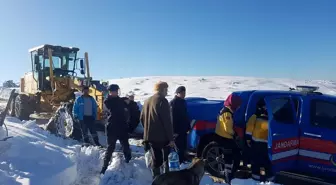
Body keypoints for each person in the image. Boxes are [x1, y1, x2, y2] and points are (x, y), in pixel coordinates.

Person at [140, 81, 175, 179]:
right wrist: (171, 139)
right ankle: (165, 179)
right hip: (162, 137)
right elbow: (167, 122)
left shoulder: (147, 101)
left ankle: (156, 179)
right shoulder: (162, 101)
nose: (167, 92)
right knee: (165, 160)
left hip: (149, 137)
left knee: (155, 160)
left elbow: (141, 118)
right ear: (162, 89)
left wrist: (148, 129)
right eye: (166, 89)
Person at [100, 84, 132, 175]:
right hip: (112, 127)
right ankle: (104, 167)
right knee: (110, 147)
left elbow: (128, 107)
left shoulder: (120, 100)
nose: (114, 93)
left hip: (122, 126)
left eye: (116, 91)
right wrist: (123, 101)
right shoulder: (107, 101)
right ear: (109, 92)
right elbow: (114, 108)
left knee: (126, 146)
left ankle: (129, 164)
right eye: (113, 91)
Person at [214, 93, 242, 184]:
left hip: (221, 136)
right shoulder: (227, 113)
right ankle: (228, 177)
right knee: (232, 157)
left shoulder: (225, 109)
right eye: (238, 105)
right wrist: (235, 135)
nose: (238, 107)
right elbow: (227, 128)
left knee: (229, 157)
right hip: (225, 137)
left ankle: (228, 174)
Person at [245, 99, 274, 183]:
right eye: (264, 107)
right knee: (256, 160)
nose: (265, 109)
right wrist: (248, 138)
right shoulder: (255, 116)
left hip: (266, 143)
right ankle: (256, 177)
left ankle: (269, 179)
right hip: (256, 143)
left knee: (266, 160)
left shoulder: (271, 118)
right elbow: (249, 128)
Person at [169, 86, 190, 164]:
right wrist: (174, 131)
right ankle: (179, 162)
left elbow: (185, 115)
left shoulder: (183, 102)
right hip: (177, 129)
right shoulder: (173, 103)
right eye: (182, 93)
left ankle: (183, 159)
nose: (183, 94)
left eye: (184, 93)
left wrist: (188, 126)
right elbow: (172, 119)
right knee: (178, 146)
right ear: (177, 93)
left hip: (183, 128)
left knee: (183, 145)